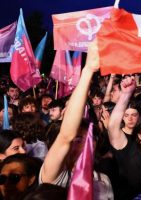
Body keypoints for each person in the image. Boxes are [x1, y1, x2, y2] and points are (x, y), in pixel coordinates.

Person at [40, 40, 114, 200]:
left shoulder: (103, 180)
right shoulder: (55, 174)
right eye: (78, 139)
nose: (85, 144)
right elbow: (66, 135)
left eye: (89, 139)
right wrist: (88, 70)